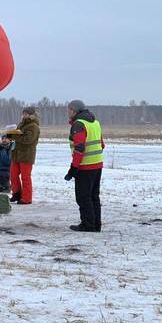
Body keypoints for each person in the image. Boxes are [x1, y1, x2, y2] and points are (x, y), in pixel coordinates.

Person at [65, 99, 105, 232]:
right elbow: (102, 144)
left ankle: (88, 224)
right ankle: (96, 224)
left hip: (85, 167)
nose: (68, 112)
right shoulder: (95, 122)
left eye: (69, 109)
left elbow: (79, 148)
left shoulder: (79, 125)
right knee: (94, 196)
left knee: (83, 196)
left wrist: (74, 168)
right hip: (97, 165)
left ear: (74, 111)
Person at [7, 106, 40, 204]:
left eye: (26, 114)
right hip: (16, 153)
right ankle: (16, 194)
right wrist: (10, 135)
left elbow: (28, 140)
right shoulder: (21, 124)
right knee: (13, 175)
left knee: (25, 177)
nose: (24, 115)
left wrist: (15, 136)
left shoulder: (33, 126)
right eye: (24, 113)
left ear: (32, 115)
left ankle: (27, 198)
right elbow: (18, 136)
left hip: (26, 155)